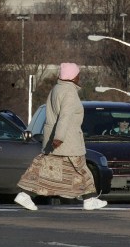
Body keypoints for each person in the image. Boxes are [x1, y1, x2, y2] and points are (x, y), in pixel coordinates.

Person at [14, 62, 108, 211]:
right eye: (78, 75)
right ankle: (89, 199)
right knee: (81, 168)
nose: (79, 78)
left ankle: (25, 194)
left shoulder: (56, 89)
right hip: (67, 139)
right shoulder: (70, 92)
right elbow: (65, 116)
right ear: (72, 77)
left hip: (56, 138)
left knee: (43, 168)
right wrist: (59, 137)